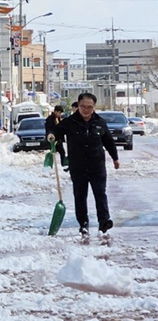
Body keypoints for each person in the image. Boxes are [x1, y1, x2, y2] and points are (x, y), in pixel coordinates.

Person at [52, 92, 119, 235]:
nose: (86, 110)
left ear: (94, 107)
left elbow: (108, 141)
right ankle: (83, 224)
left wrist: (115, 158)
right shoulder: (70, 122)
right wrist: (51, 135)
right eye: (83, 106)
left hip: (97, 165)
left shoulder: (100, 122)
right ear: (78, 106)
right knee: (80, 196)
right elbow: (55, 131)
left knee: (100, 194)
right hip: (78, 166)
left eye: (90, 107)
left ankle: (104, 222)